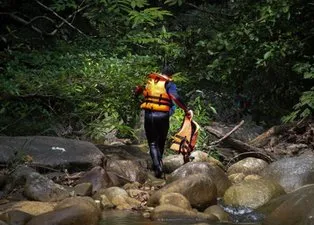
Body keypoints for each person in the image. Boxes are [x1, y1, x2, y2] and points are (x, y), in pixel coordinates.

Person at [135, 65, 192, 178]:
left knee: (152, 143)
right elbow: (175, 97)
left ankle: (157, 167)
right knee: (161, 141)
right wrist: (186, 109)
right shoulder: (169, 84)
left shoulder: (149, 81)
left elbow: (138, 90)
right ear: (171, 75)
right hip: (162, 116)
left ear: (161, 73)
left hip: (149, 115)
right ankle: (159, 165)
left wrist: (136, 97)